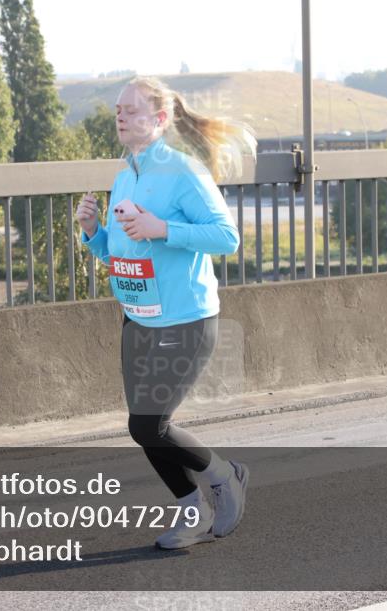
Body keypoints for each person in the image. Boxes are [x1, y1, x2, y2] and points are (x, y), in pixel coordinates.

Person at [75, 77, 253, 549]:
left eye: (131, 110)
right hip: (138, 317)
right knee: (145, 427)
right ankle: (192, 510)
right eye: (117, 109)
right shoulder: (125, 172)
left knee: (147, 425)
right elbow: (120, 252)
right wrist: (94, 232)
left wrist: (162, 227)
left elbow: (226, 238)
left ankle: (223, 475)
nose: (120, 115)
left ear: (158, 119)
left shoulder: (182, 171)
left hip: (186, 319)